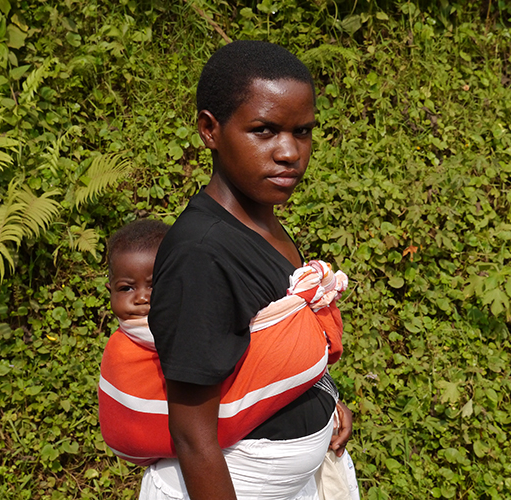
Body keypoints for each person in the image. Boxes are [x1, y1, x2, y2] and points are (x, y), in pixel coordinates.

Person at [143, 40, 353, 500]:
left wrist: (324, 395)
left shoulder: (262, 222)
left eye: (302, 131)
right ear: (209, 130)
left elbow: (271, 347)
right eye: (264, 130)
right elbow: (193, 437)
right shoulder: (202, 255)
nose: (289, 152)